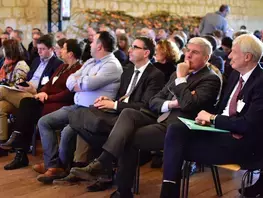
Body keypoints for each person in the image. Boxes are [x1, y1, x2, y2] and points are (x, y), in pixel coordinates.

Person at [70, 37, 221, 198]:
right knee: (128, 114)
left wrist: (181, 79)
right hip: (161, 118)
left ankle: (119, 186)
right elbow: (154, 101)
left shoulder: (210, 79)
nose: (188, 55)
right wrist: (171, 104)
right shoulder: (177, 74)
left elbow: (188, 105)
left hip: (181, 129)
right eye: (187, 51)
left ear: (206, 57)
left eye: (195, 52)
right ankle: (107, 166)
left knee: (127, 138)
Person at [159, 34, 263, 198]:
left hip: (241, 141)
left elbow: (246, 125)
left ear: (247, 57)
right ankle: (168, 190)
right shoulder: (236, 74)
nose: (228, 56)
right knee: (176, 129)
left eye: (233, 52)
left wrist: (213, 118)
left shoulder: (260, 82)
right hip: (220, 131)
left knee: (176, 148)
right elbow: (223, 109)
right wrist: (208, 119)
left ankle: (168, 192)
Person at [53, 36, 165, 185]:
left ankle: (102, 166)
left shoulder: (155, 75)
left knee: (105, 122)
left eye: (135, 47)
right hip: (120, 113)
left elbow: (145, 106)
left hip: (139, 117)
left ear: (146, 53)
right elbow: (121, 96)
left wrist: (114, 105)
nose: (130, 50)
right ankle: (101, 168)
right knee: (80, 115)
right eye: (131, 46)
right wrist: (109, 100)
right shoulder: (128, 70)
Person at [34, 31, 123, 184]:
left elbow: (88, 84)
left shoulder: (112, 65)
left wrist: (80, 82)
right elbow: (70, 81)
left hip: (93, 111)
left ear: (100, 46)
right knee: (44, 122)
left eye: (93, 41)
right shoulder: (90, 62)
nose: (90, 44)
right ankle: (53, 165)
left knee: (68, 130)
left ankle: (62, 168)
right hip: (76, 106)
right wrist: (80, 83)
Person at [0, 39, 82, 170]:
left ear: (71, 53)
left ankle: (19, 147)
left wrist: (47, 96)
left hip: (59, 103)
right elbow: (48, 84)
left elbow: (68, 93)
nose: (60, 51)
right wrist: (42, 93)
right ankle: (18, 143)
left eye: (64, 49)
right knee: (27, 103)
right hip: (46, 99)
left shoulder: (78, 69)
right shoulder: (63, 67)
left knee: (26, 106)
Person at [0, 34, 62, 144]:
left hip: (36, 97)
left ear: (51, 49)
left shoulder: (57, 64)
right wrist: (22, 84)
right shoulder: (36, 61)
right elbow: (28, 78)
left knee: (2, 90)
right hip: (24, 92)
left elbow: (52, 87)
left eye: (42, 49)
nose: (39, 52)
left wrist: (34, 91)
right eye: (38, 49)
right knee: (1, 107)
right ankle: (2, 142)